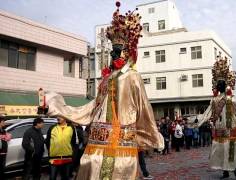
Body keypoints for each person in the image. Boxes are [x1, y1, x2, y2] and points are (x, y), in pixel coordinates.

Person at [42, 2, 164, 179]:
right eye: (112, 51)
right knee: (90, 164)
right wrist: (56, 107)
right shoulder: (106, 79)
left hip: (122, 138)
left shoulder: (132, 76)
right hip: (99, 140)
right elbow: (93, 107)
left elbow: (144, 108)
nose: (113, 54)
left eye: (117, 50)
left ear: (126, 52)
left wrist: (152, 136)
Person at [197, 57, 236, 179]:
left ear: (225, 85)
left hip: (230, 129)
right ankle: (226, 172)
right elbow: (207, 113)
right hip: (219, 131)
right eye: (218, 84)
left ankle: (235, 171)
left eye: (220, 84)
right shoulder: (215, 100)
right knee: (222, 152)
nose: (219, 85)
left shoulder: (232, 100)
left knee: (231, 151)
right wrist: (198, 121)